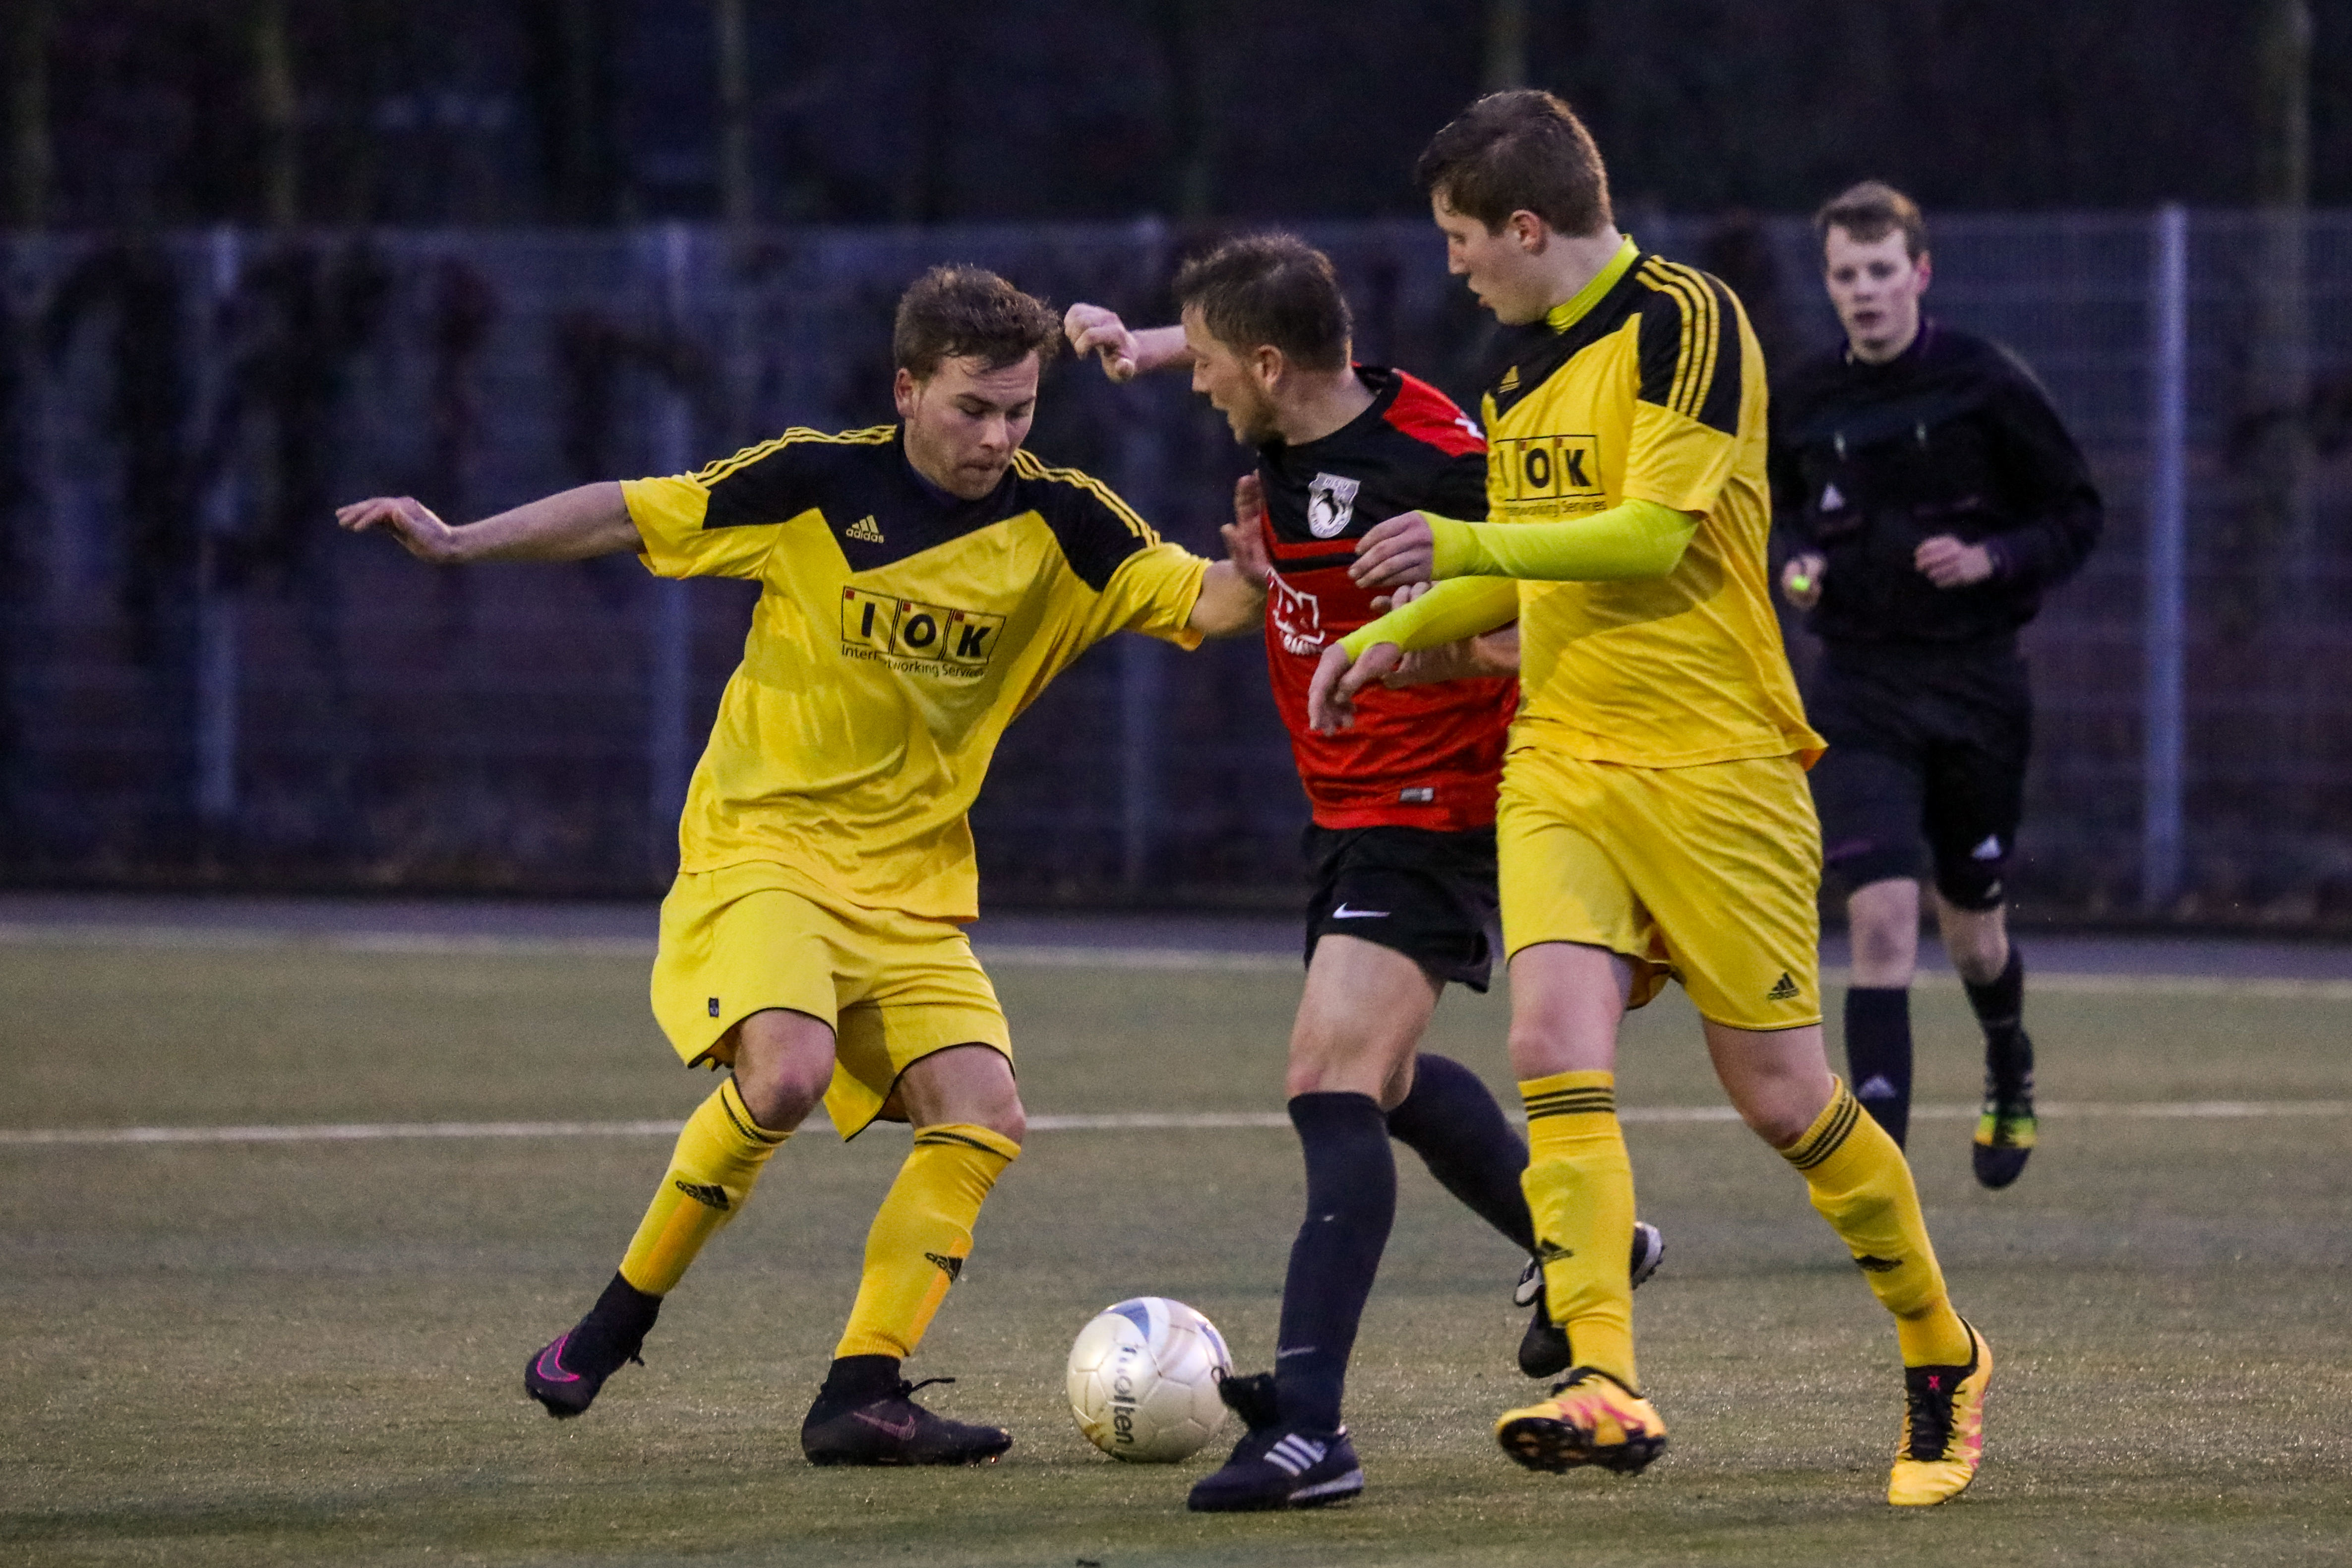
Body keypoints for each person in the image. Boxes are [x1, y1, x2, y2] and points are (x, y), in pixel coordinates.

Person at [336, 265, 1266, 1466]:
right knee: (785, 1073)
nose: (997, 437)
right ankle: (612, 1326)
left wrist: (1257, 569)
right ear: (907, 390)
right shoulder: (816, 482)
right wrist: (462, 541)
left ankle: (861, 1392)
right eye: (972, 408)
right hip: (762, 848)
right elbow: (629, 511)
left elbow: (1206, 602)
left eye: (1019, 410)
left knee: (984, 1116)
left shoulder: (1066, 523)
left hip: (913, 887)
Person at [1308, 91, 1989, 1507]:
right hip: (1562, 755)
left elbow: (1645, 540)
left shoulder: (1688, 320)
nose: (1453, 266)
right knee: (1552, 1044)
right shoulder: (1515, 371)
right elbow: (1533, 569)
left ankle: (1941, 1348)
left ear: (1526, 225)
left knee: (1784, 1098)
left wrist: (1460, 542)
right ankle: (1604, 1380)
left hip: (1717, 768)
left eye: (1459, 238)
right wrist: (1392, 634)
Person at [1066, 233, 1662, 1512]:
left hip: (1434, 805)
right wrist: (1147, 344)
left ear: (1267, 365)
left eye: (1205, 364)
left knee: (1327, 1081)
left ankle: (1308, 1430)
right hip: (1346, 807)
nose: (1194, 386)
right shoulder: (1303, 414)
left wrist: (1418, 644)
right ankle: (1584, 1244)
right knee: (1381, 1079)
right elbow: (1270, 322)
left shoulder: (1439, 466)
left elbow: (1545, 626)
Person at [1772, 181, 2103, 1187]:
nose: (1864, 291)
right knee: (1878, 919)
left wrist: (1993, 558)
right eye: (1845, 275)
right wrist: (1795, 565)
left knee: (1972, 931)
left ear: (1918, 274)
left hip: (1975, 690)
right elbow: (1771, 516)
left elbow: (2076, 514)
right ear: (1829, 283)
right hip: (1858, 688)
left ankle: (2007, 1057)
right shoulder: (1803, 400)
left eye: (1881, 271)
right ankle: (1877, 1188)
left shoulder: (1985, 384)